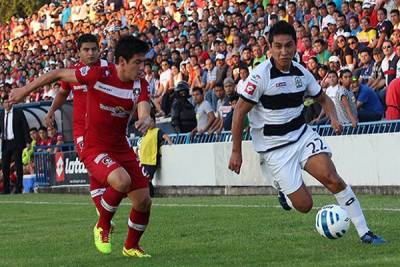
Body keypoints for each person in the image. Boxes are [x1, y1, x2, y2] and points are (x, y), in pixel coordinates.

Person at [228, 21, 385, 245]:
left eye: (288, 45)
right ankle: (282, 188)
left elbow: (323, 98)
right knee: (304, 206)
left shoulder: (302, 73)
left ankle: (365, 233)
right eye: (278, 46)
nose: (284, 51)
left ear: (295, 46)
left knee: (333, 179)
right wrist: (236, 151)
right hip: (274, 148)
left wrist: (333, 117)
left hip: (302, 136)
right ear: (269, 48)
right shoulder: (259, 77)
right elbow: (238, 113)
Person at [10, 36, 154, 257]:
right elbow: (57, 74)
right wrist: (23, 91)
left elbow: (144, 110)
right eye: (138, 62)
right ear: (122, 61)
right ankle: (102, 225)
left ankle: (131, 246)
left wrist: (146, 119)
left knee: (144, 201)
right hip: (92, 144)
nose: (142, 67)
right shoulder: (97, 74)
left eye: (144, 62)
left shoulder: (140, 84)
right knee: (121, 180)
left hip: (121, 146)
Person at [44, 34, 110, 221]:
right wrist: (50, 112)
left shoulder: (109, 69)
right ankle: (103, 214)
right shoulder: (72, 73)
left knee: (110, 174)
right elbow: (63, 93)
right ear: (79, 52)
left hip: (107, 128)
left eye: (94, 49)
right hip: (83, 130)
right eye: (86, 50)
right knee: (93, 169)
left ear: (99, 50)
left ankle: (104, 208)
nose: (91, 53)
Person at [0, 94, 30, 194]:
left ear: (12, 102)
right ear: (2, 104)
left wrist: (27, 141)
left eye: (9, 102)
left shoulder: (18, 113)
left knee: (18, 166)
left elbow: (25, 127)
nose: (7, 104)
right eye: (5, 102)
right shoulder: (1, 115)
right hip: (6, 143)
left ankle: (18, 188)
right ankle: (6, 189)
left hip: (16, 142)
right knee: (5, 167)